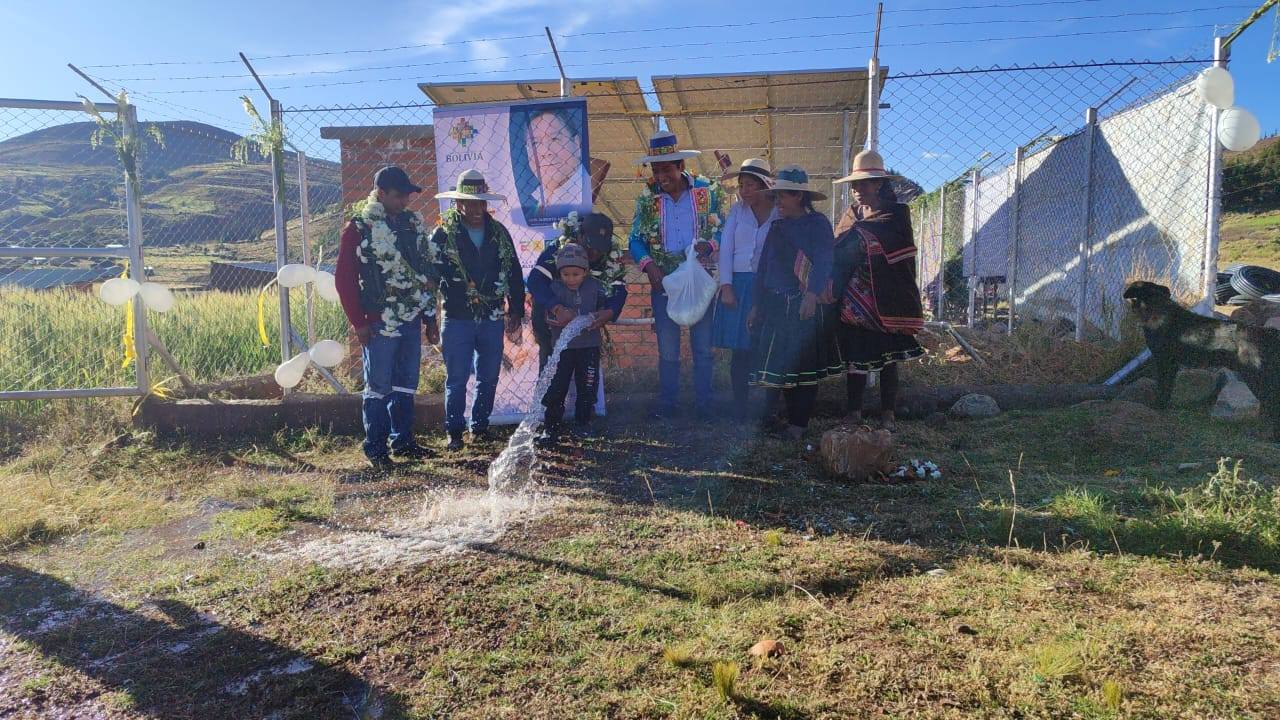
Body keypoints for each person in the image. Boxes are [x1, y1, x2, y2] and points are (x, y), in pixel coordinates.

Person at [335, 165, 440, 470]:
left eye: (407, 196)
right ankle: (376, 448)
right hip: (378, 319)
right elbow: (345, 280)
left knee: (407, 381)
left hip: (410, 317)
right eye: (398, 196)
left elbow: (426, 274)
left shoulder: (411, 225)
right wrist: (359, 322)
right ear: (380, 193)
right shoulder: (359, 228)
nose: (405, 202)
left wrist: (429, 319)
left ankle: (403, 440)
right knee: (379, 384)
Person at [628, 130, 727, 419]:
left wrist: (709, 244)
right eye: (656, 170)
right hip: (664, 282)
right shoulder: (647, 200)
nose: (661, 176)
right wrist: (649, 265)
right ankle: (668, 404)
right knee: (668, 349)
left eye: (666, 169)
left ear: (681, 166)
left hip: (698, 278)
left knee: (703, 345)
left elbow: (723, 228)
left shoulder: (707, 193)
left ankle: (704, 404)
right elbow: (635, 239)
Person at [829, 150, 926, 432]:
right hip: (854, 298)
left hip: (886, 295)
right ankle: (854, 412)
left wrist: (865, 243)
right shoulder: (851, 215)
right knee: (856, 353)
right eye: (855, 184)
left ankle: (888, 413)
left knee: (888, 356)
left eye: (865, 183)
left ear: (880, 184)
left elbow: (901, 253)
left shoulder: (897, 214)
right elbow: (837, 248)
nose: (858, 189)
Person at [431, 169, 527, 451]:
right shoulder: (442, 235)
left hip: (492, 317)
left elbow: (514, 273)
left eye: (480, 203)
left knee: (489, 374)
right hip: (457, 316)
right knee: (457, 377)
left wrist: (516, 311)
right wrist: (429, 317)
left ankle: (480, 426)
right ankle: (455, 432)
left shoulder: (499, 233)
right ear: (458, 204)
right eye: (469, 203)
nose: (475, 209)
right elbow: (431, 277)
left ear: (486, 204)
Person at [748, 165, 843, 441]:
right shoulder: (777, 227)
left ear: (799, 197)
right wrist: (757, 304)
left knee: (802, 367)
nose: (777, 202)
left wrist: (812, 295)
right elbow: (764, 267)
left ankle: (798, 425)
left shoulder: (817, 224)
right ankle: (776, 419)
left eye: (782, 197)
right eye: (775, 197)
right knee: (779, 365)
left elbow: (825, 260)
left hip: (802, 304)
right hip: (775, 305)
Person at [711, 158, 778, 416]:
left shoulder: (778, 212)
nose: (744, 191)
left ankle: (767, 409)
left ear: (765, 186)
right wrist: (726, 285)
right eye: (742, 185)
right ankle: (740, 407)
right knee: (740, 350)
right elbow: (726, 249)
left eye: (751, 185)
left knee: (766, 347)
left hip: (768, 286)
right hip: (738, 284)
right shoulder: (737, 212)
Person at [528, 211, 627, 369]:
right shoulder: (560, 247)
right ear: (579, 235)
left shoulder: (610, 256)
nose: (594, 252)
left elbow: (619, 288)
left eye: (600, 247)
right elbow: (535, 281)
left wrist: (610, 311)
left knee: (585, 380)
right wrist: (557, 308)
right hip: (553, 326)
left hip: (585, 332)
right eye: (590, 246)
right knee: (552, 379)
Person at [537, 243, 611, 445]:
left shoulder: (595, 287)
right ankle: (550, 428)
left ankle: (583, 425)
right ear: (559, 273)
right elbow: (547, 316)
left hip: (589, 347)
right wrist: (556, 317)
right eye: (566, 274)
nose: (571, 279)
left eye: (576, 274)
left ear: (585, 272)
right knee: (557, 387)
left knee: (587, 386)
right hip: (563, 349)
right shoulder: (555, 289)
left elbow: (604, 308)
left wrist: (598, 316)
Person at [513, 107, 589, 224]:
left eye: (554, 139)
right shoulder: (533, 207)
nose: (545, 151)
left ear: (577, 144)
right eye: (535, 143)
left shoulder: (586, 193)